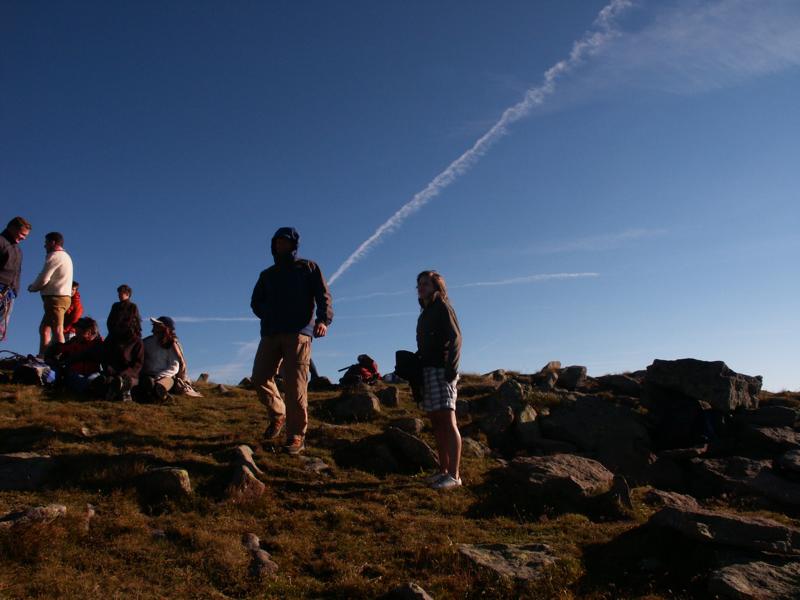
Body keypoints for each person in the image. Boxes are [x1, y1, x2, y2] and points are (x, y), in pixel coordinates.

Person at [250, 227, 333, 455]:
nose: (280, 245)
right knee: (259, 377)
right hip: (270, 333)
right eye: (277, 242)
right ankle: (279, 414)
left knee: (295, 385)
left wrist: (323, 320)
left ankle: (296, 435)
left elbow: (323, 295)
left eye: (285, 241)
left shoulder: (308, 267)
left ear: (293, 245)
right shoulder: (267, 275)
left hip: (299, 333)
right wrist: (269, 314)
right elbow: (255, 302)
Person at [416, 270, 463, 490]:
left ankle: (454, 475)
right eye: (419, 284)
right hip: (427, 371)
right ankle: (443, 471)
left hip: (442, 371)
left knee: (448, 420)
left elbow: (456, 338)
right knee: (436, 422)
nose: (421, 287)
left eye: (426, 283)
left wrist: (451, 370)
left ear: (437, 287)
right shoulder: (424, 313)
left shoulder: (443, 307)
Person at [27, 231, 74, 356]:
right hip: (60, 297)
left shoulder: (55, 256)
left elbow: (44, 278)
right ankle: (43, 356)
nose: (44, 246)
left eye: (46, 242)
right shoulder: (65, 256)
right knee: (45, 328)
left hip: (56, 298)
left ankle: (60, 358)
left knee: (57, 329)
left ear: (53, 242)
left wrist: (33, 287)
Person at [100, 284, 143, 401]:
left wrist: (125, 373)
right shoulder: (115, 306)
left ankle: (123, 391)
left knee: (126, 380)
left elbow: (137, 364)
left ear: (127, 294)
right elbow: (110, 321)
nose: (119, 295)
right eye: (118, 293)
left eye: (122, 293)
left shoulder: (132, 307)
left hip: (128, 374)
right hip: (114, 337)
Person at [137, 316, 188, 403]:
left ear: (165, 328)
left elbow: (174, 367)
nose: (154, 327)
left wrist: (160, 376)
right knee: (145, 384)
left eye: (157, 325)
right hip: (147, 376)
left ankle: (163, 396)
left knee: (160, 386)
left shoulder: (172, 344)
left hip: (166, 377)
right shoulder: (146, 342)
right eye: (154, 325)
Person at [0, 216, 31, 342]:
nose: (24, 238)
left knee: (1, 329)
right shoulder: (1, 242)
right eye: (22, 234)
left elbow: (17, 272)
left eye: (26, 236)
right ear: (12, 228)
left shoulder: (18, 250)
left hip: (9, 293)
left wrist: (14, 291)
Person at [54, 316, 104, 393]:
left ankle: (94, 388)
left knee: (94, 378)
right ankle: (94, 389)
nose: (76, 332)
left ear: (89, 331)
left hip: (92, 373)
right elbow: (59, 349)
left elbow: (93, 355)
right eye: (76, 330)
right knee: (77, 378)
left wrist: (72, 359)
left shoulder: (99, 343)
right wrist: (53, 353)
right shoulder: (73, 341)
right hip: (75, 373)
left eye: (79, 330)